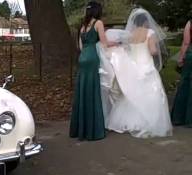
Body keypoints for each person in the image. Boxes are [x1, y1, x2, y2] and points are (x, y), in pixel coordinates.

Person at [99, 8, 172, 138]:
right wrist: (155, 49)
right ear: (145, 22)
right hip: (147, 66)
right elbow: (153, 51)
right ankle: (149, 121)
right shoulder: (150, 32)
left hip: (134, 67)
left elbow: (127, 49)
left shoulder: (130, 34)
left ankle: (129, 121)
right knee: (152, 93)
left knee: (133, 94)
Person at [69, 1, 116, 141]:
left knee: (82, 91)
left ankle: (80, 129)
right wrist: (118, 43)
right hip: (92, 58)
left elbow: (80, 46)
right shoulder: (98, 23)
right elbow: (104, 42)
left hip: (83, 57)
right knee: (92, 91)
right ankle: (92, 130)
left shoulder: (83, 26)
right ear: (97, 11)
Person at [171, 20, 192, 126]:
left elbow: (186, 42)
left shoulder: (190, 22)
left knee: (185, 84)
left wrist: (181, 57)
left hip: (191, 55)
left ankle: (180, 118)